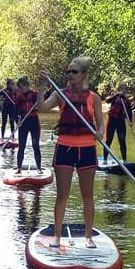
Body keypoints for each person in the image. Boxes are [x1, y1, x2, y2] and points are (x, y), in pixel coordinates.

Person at [39, 56, 104, 248]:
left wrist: (100, 133)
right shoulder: (61, 94)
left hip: (87, 150)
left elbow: (101, 125)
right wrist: (41, 87)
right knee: (62, 195)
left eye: (74, 72)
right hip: (65, 148)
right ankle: (57, 236)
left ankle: (88, 237)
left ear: (83, 74)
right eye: (68, 71)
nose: (70, 75)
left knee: (88, 196)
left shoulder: (94, 98)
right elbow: (41, 108)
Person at [13, 77, 43, 172]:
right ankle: (19, 167)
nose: (20, 90)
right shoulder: (19, 98)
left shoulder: (35, 95)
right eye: (19, 88)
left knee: (35, 145)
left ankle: (38, 168)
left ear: (27, 86)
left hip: (34, 121)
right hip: (23, 122)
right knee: (21, 146)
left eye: (21, 87)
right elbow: (14, 112)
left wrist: (42, 94)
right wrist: (17, 121)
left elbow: (43, 101)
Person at [103, 85, 133, 162]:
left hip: (121, 122)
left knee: (122, 141)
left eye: (124, 89)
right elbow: (107, 101)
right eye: (121, 89)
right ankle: (105, 159)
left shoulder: (126, 101)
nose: (122, 91)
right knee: (108, 140)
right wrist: (116, 95)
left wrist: (130, 121)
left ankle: (124, 160)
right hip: (112, 121)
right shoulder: (114, 97)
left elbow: (129, 112)